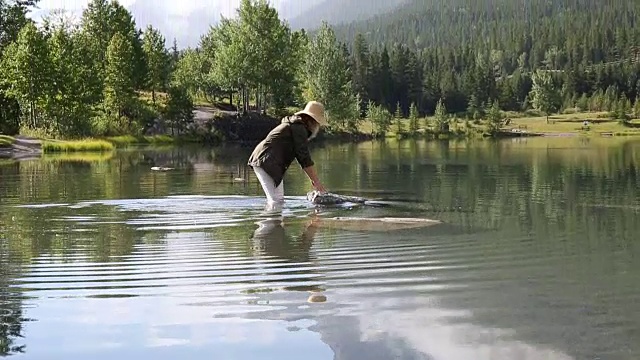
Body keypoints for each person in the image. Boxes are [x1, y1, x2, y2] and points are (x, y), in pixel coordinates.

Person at [247, 101, 328, 208]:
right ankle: (270, 222)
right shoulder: (299, 128)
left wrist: (314, 180)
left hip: (266, 161)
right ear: (312, 121)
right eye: (318, 123)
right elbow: (303, 157)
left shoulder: (296, 126)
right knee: (276, 202)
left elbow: (302, 157)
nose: (318, 127)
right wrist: (316, 181)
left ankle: (274, 222)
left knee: (277, 201)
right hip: (266, 162)